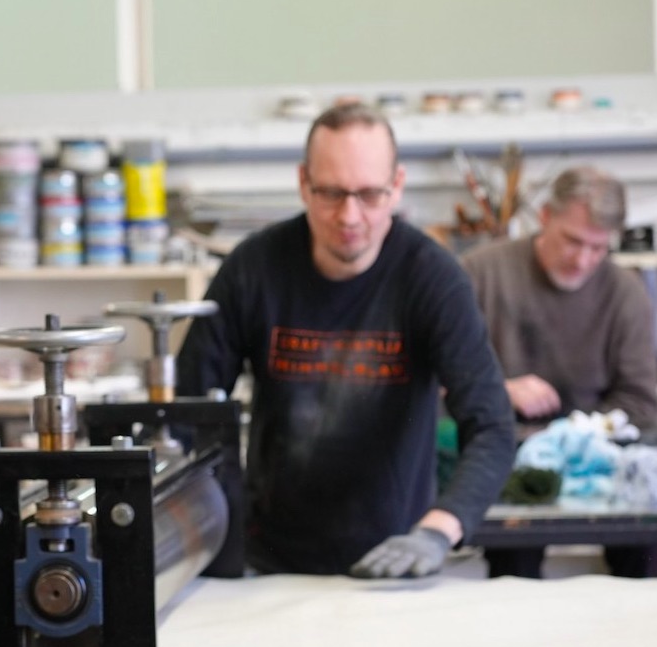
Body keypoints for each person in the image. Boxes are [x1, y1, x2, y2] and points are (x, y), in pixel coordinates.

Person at [176, 101, 515, 579]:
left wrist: (436, 532)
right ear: (303, 183)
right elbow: (185, 415)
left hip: (397, 560)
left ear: (397, 186)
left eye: (370, 195)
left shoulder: (433, 279)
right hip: (266, 563)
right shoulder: (253, 269)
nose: (350, 216)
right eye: (331, 193)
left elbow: (492, 428)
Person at [461, 165, 657, 647]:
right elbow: (441, 378)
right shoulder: (481, 273)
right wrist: (501, 390)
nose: (583, 259)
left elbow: (639, 401)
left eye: (599, 248)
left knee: (647, 552)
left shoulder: (624, 292)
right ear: (543, 217)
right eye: (573, 240)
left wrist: (580, 435)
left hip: (598, 462)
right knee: (515, 561)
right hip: (505, 459)